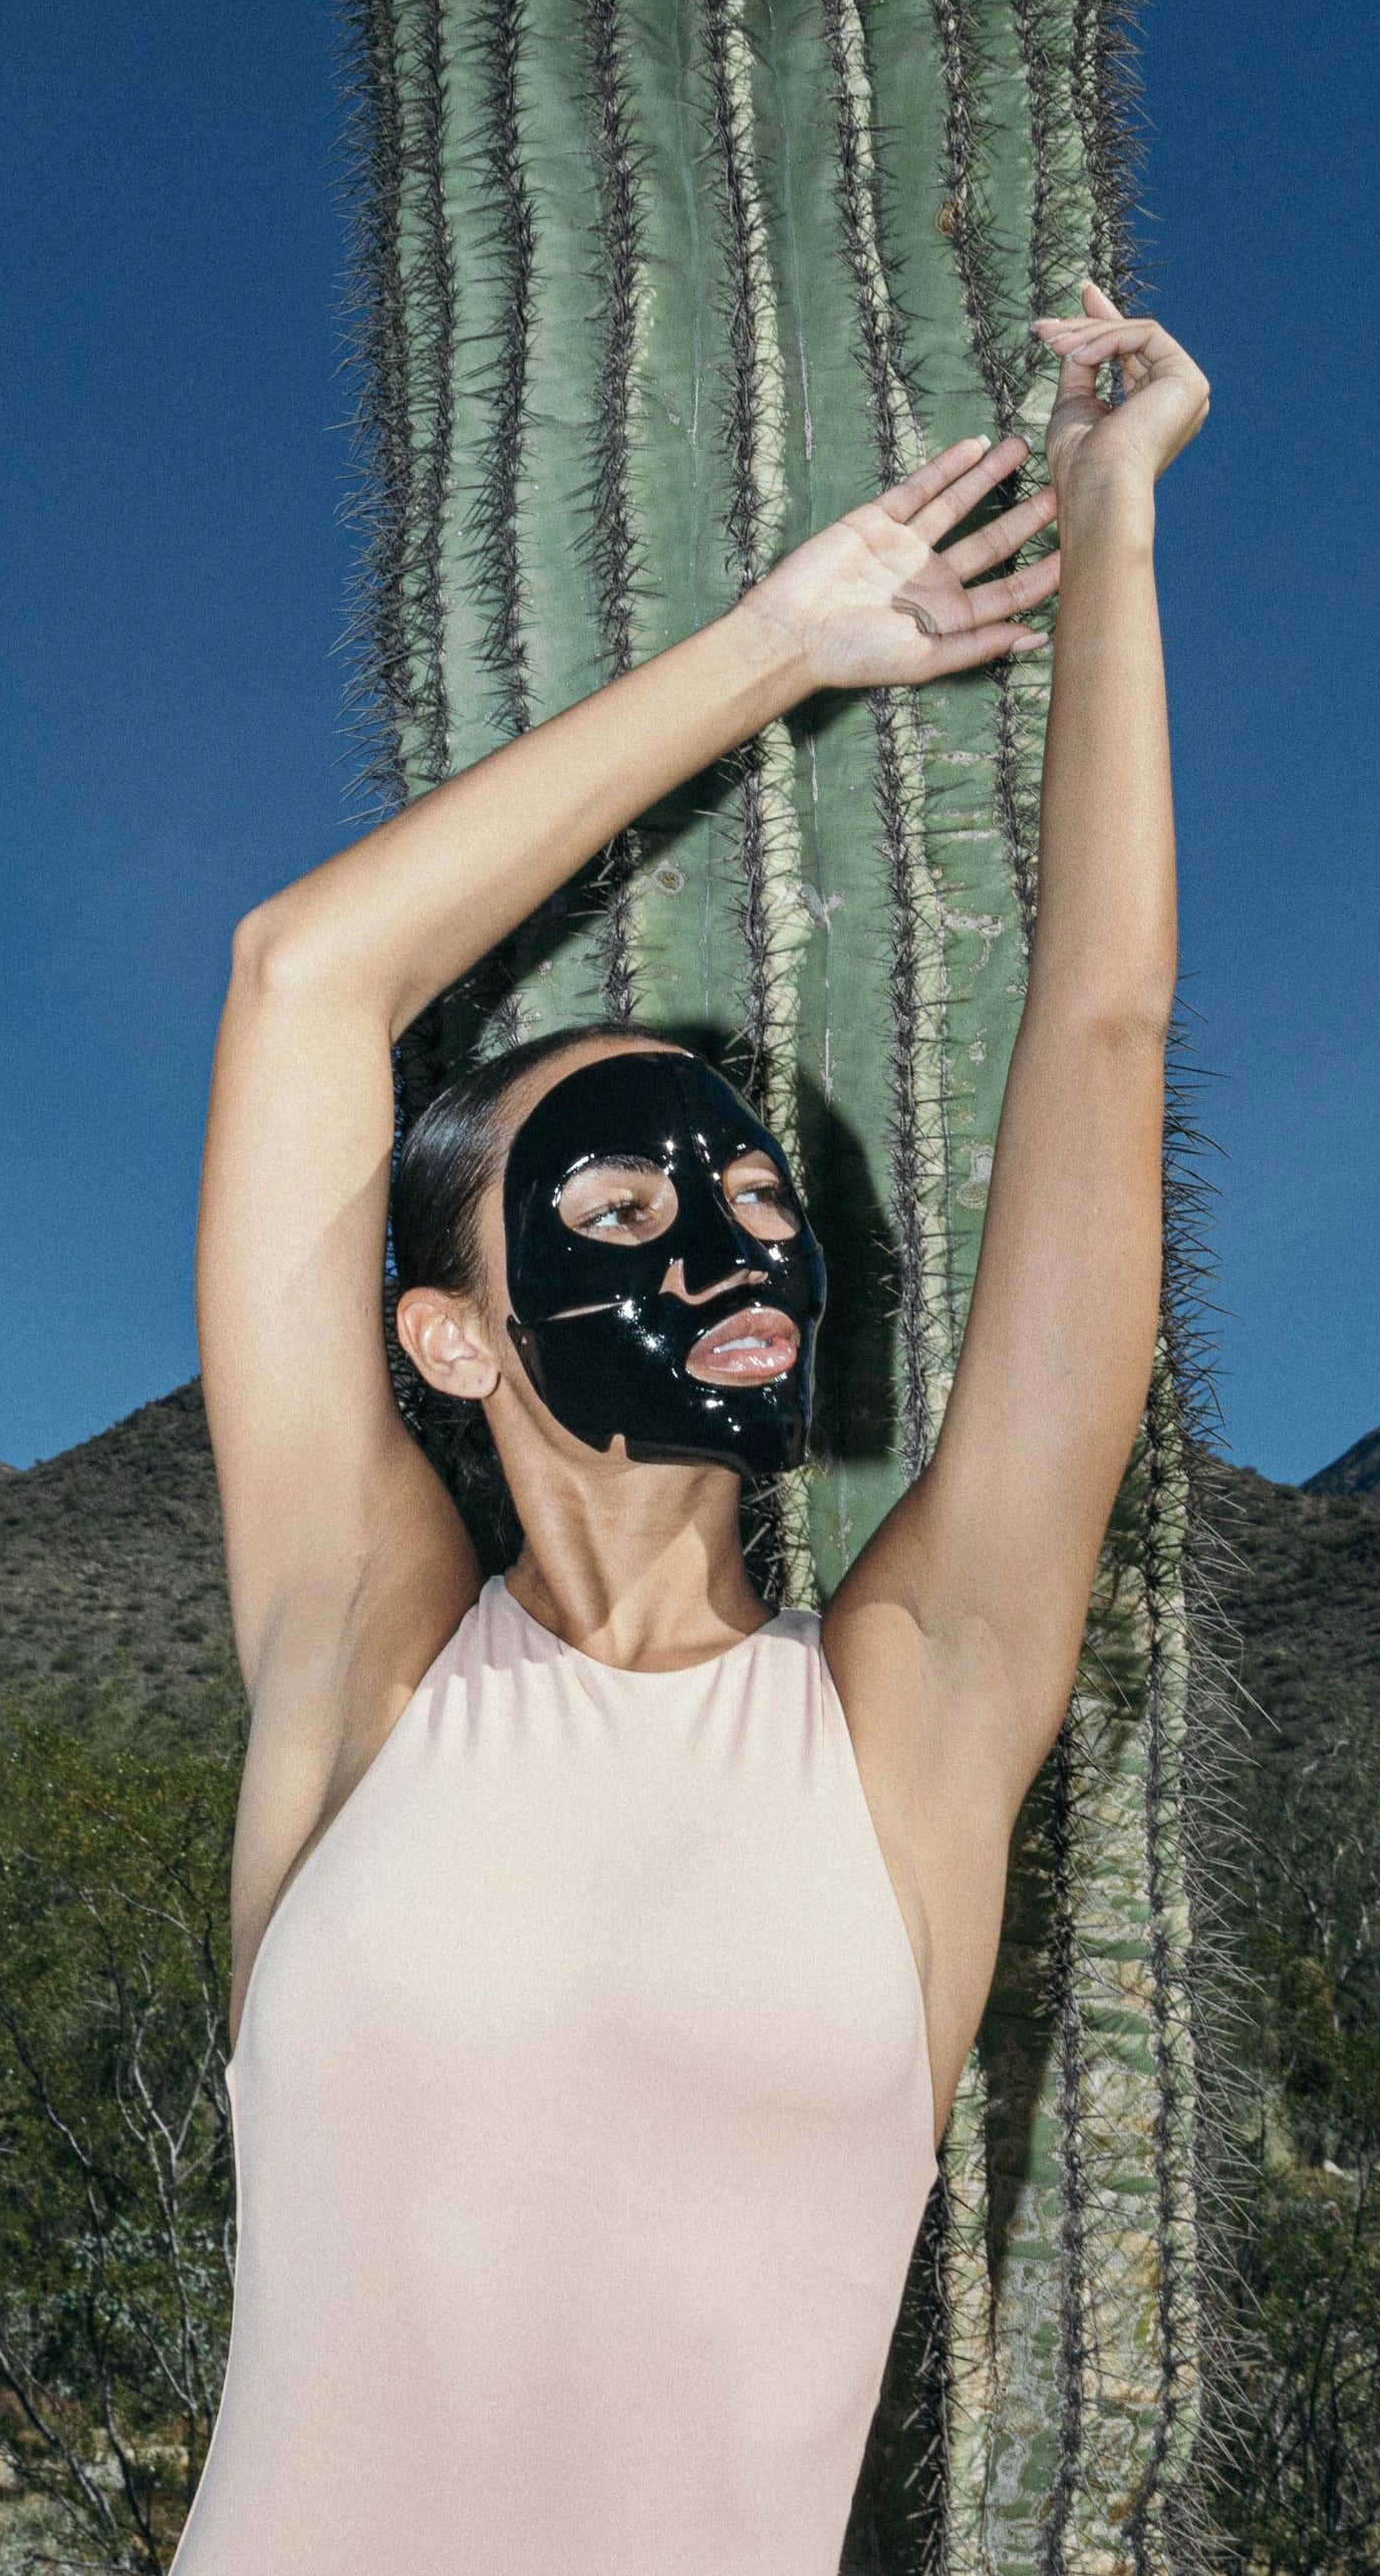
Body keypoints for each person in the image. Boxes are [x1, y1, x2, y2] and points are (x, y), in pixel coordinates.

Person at [174, 285, 1210, 2576]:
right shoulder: (359, 1663)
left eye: (751, 1198)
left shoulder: (911, 1722)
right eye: (628, 1205)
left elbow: (1106, 1035)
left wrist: (1112, 522)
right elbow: (303, 979)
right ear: (448, 1337)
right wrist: (782, 643)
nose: (726, 1241)